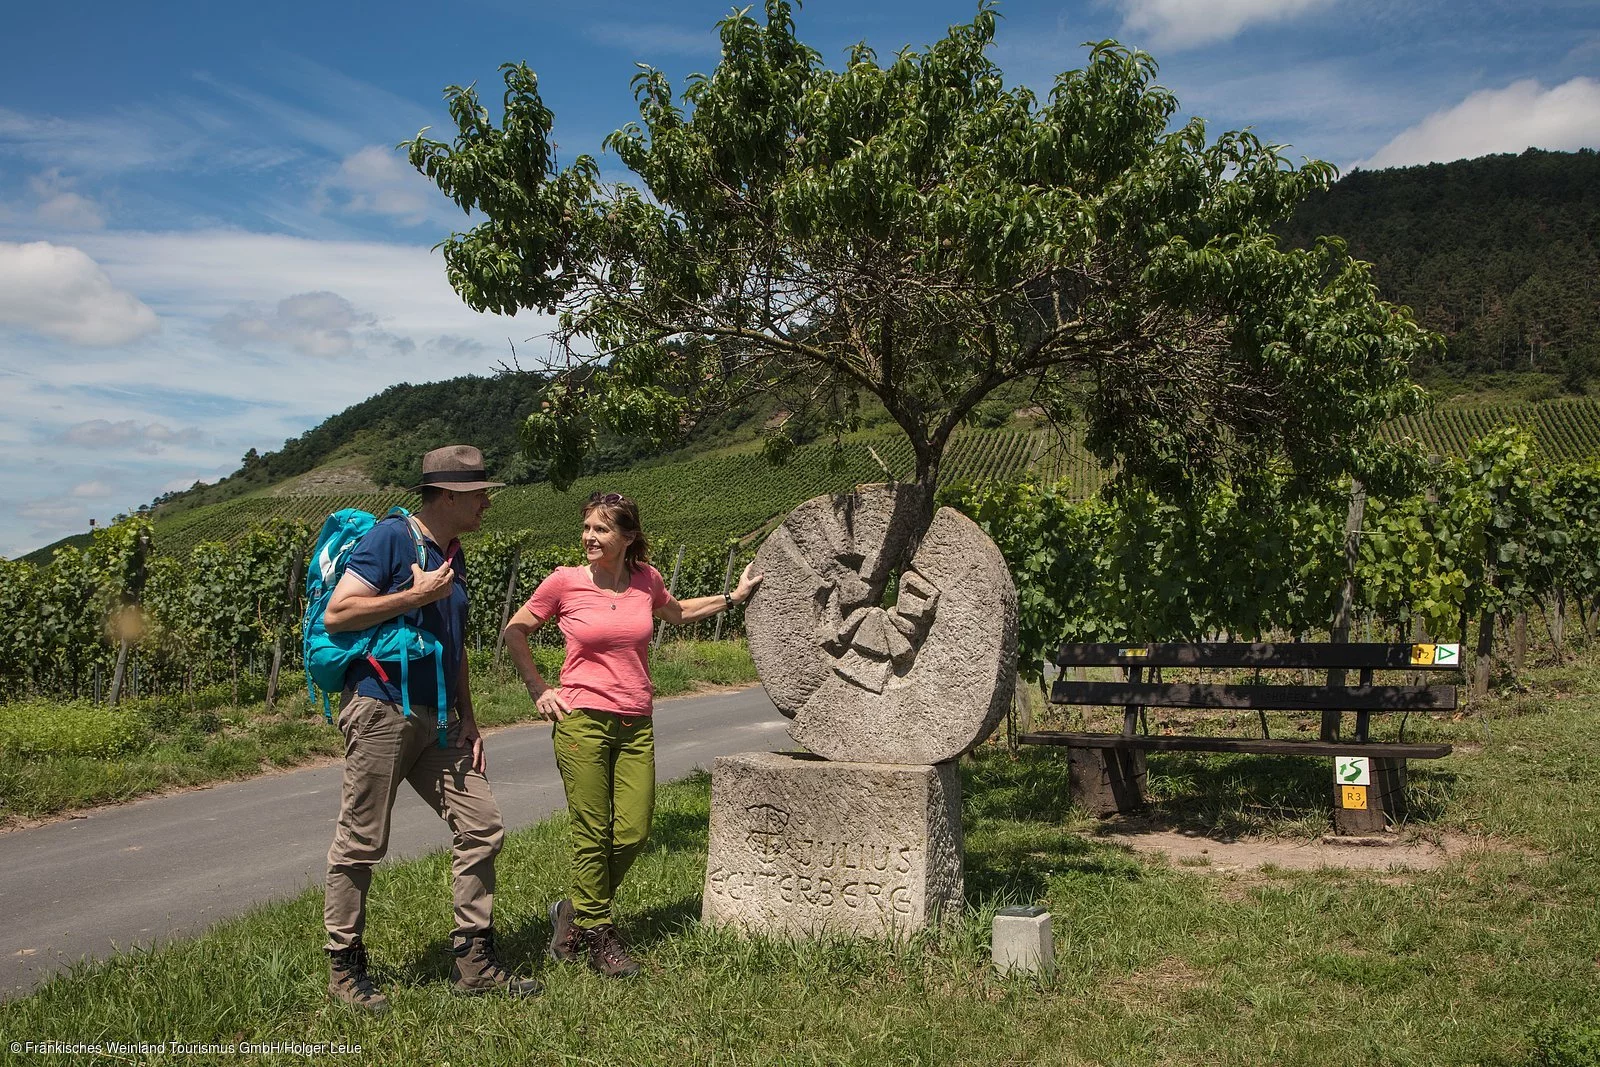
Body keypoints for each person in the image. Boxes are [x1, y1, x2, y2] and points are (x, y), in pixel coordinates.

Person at [502, 491, 761, 978]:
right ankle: (600, 936)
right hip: (582, 721)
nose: (589, 538)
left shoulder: (646, 579)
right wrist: (539, 689)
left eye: (600, 530)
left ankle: (571, 913)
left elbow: (678, 613)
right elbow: (516, 631)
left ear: (627, 537)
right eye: (586, 529)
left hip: (636, 720)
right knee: (592, 830)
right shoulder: (564, 582)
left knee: (634, 830)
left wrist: (734, 597)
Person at [321, 444, 539, 1014]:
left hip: (440, 719)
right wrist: (413, 595)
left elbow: (454, 644)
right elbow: (338, 614)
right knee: (362, 840)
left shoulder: (452, 552)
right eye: (479, 495)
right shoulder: (391, 539)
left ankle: (474, 961)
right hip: (382, 710)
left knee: (482, 825)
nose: (487, 504)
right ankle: (344, 969)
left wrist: (469, 717)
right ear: (447, 496)